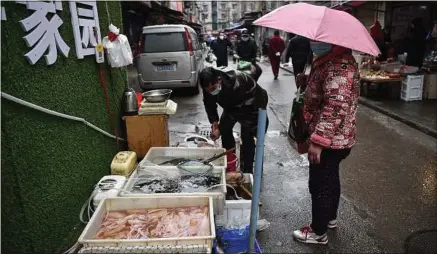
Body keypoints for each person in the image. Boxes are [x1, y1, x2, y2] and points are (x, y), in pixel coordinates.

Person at [292, 42, 359, 245]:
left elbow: (336, 105)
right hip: (335, 137)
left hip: (331, 140)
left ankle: (317, 231)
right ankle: (329, 217)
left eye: (318, 41)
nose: (314, 44)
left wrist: (319, 141)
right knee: (330, 178)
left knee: (320, 183)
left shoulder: (339, 65)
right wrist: (307, 81)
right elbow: (325, 91)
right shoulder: (328, 60)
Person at [199, 66, 269, 174]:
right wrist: (214, 122)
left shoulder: (235, 83)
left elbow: (235, 113)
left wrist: (219, 129)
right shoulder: (209, 87)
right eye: (207, 90)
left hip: (253, 103)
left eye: (213, 88)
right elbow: (209, 104)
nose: (210, 91)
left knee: (247, 136)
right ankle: (230, 161)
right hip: (232, 106)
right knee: (226, 131)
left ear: (218, 80)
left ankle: (247, 172)